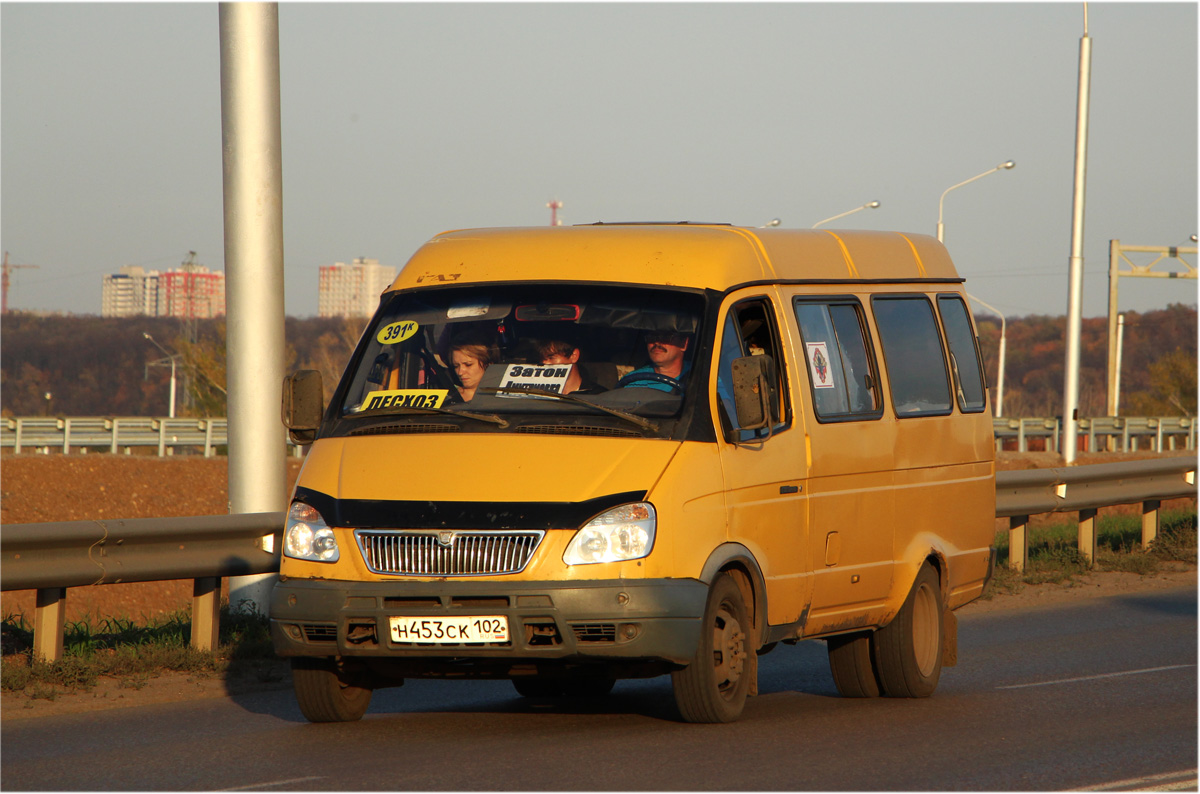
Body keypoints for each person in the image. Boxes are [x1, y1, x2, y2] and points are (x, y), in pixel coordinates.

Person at [620, 331, 690, 393]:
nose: (657, 343)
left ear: (684, 343)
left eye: (666, 337)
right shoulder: (632, 381)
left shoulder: (697, 376)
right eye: (652, 337)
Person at [536, 338, 603, 395]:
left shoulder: (599, 396)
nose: (544, 363)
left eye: (551, 358)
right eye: (542, 359)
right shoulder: (535, 393)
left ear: (574, 356)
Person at [450, 335, 496, 402]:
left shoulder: (503, 395)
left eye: (468, 365)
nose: (460, 372)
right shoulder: (448, 396)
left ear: (487, 364)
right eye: (456, 366)